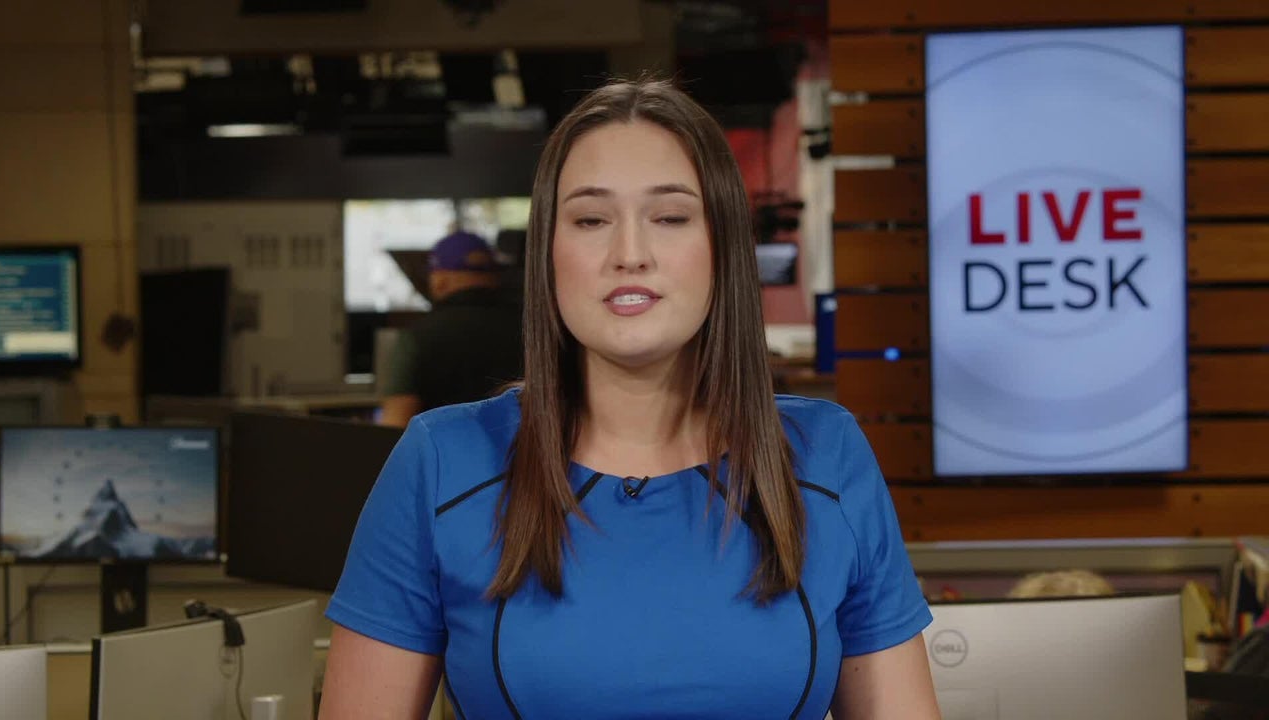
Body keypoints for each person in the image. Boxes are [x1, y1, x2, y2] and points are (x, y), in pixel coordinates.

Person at [320, 78, 940, 719]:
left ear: (723, 245)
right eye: (591, 220)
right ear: (549, 251)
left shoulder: (826, 457)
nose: (630, 254)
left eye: (670, 217)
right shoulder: (441, 463)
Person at [377, 230, 524, 428]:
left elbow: (396, 423)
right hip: (524, 447)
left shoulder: (419, 337)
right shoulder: (529, 329)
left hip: (443, 448)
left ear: (440, 280)